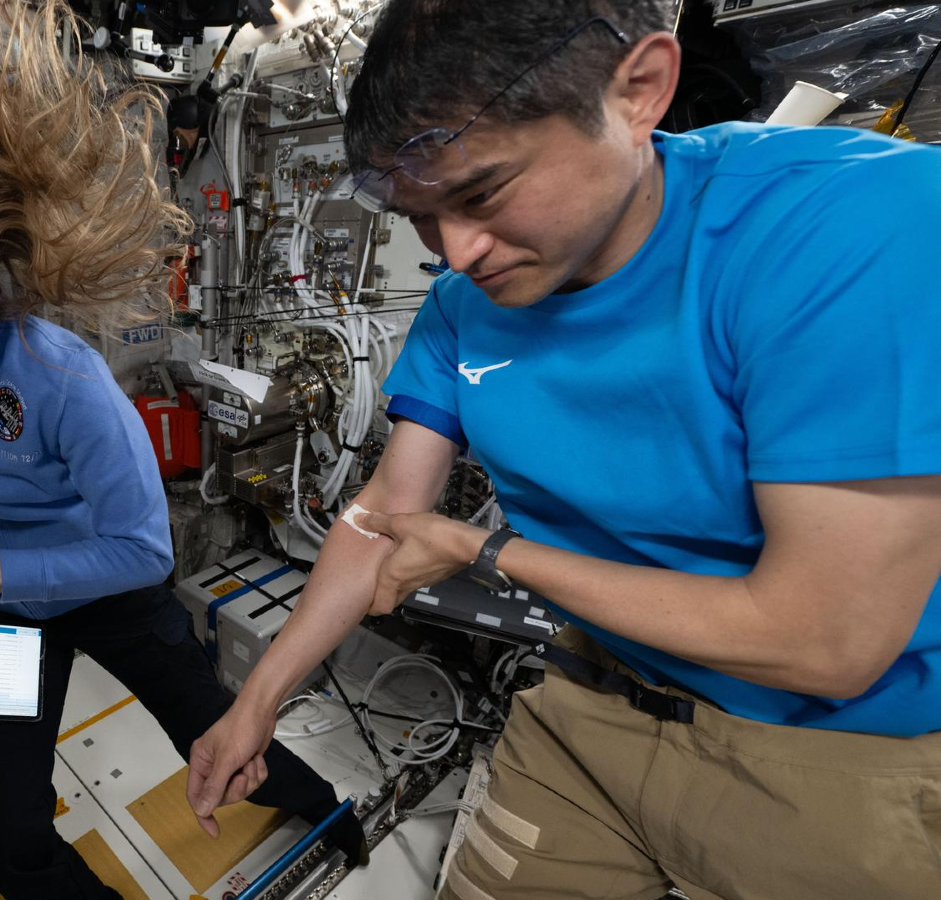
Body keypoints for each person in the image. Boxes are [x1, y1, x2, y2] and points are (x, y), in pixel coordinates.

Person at [187, 2, 941, 898]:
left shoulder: (843, 226)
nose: (457, 252)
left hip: (830, 752)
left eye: (481, 194)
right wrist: (258, 702)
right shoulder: (467, 302)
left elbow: (826, 642)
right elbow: (381, 517)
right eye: (421, 216)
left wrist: (482, 548)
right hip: (592, 701)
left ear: (639, 92)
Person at [0, 3, 359, 897]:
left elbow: (142, 550)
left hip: (107, 592)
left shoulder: (62, 377)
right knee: (2, 844)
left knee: (226, 740)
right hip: (4, 611)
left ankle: (332, 814)